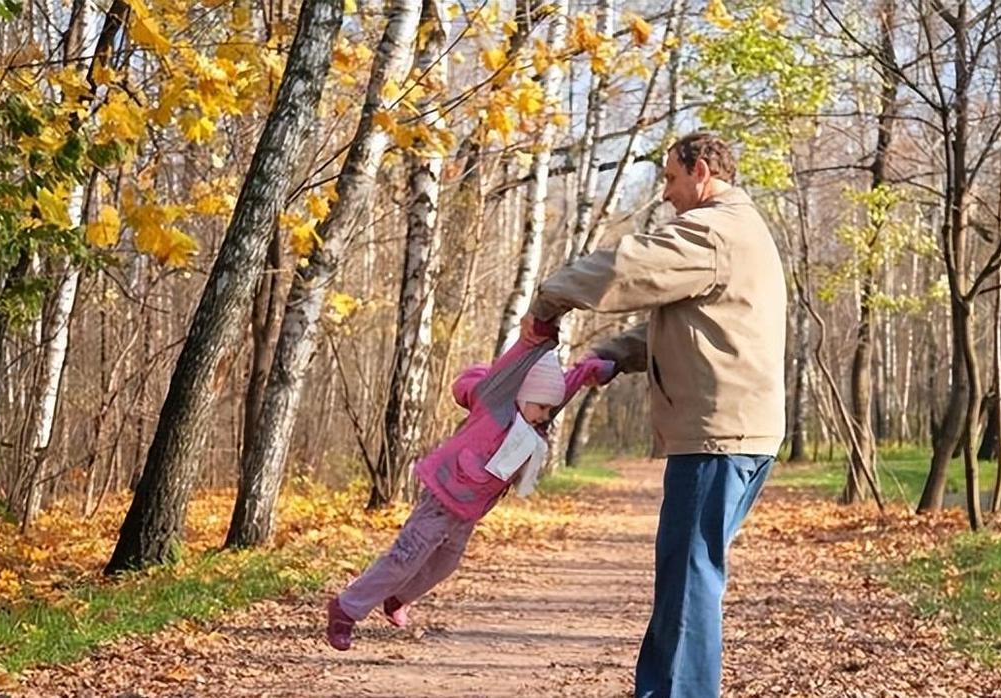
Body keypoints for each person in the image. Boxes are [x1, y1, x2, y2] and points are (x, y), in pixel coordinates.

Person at [522, 132, 787, 697]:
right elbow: (693, 326)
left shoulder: (716, 229)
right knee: (685, 581)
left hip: (719, 435)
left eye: (670, 178)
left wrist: (549, 300)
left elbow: (628, 269)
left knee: (689, 585)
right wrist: (614, 355)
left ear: (701, 172)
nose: (665, 193)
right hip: (730, 432)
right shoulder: (736, 231)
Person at [325, 327, 614, 651]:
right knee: (405, 558)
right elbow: (514, 363)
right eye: (542, 408)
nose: (546, 416)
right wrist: (537, 333)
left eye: (550, 409)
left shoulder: (531, 420)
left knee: (445, 563)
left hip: (468, 512)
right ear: (521, 395)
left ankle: (397, 597)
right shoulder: (496, 404)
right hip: (441, 496)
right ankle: (346, 609)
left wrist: (588, 370)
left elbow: (563, 389)